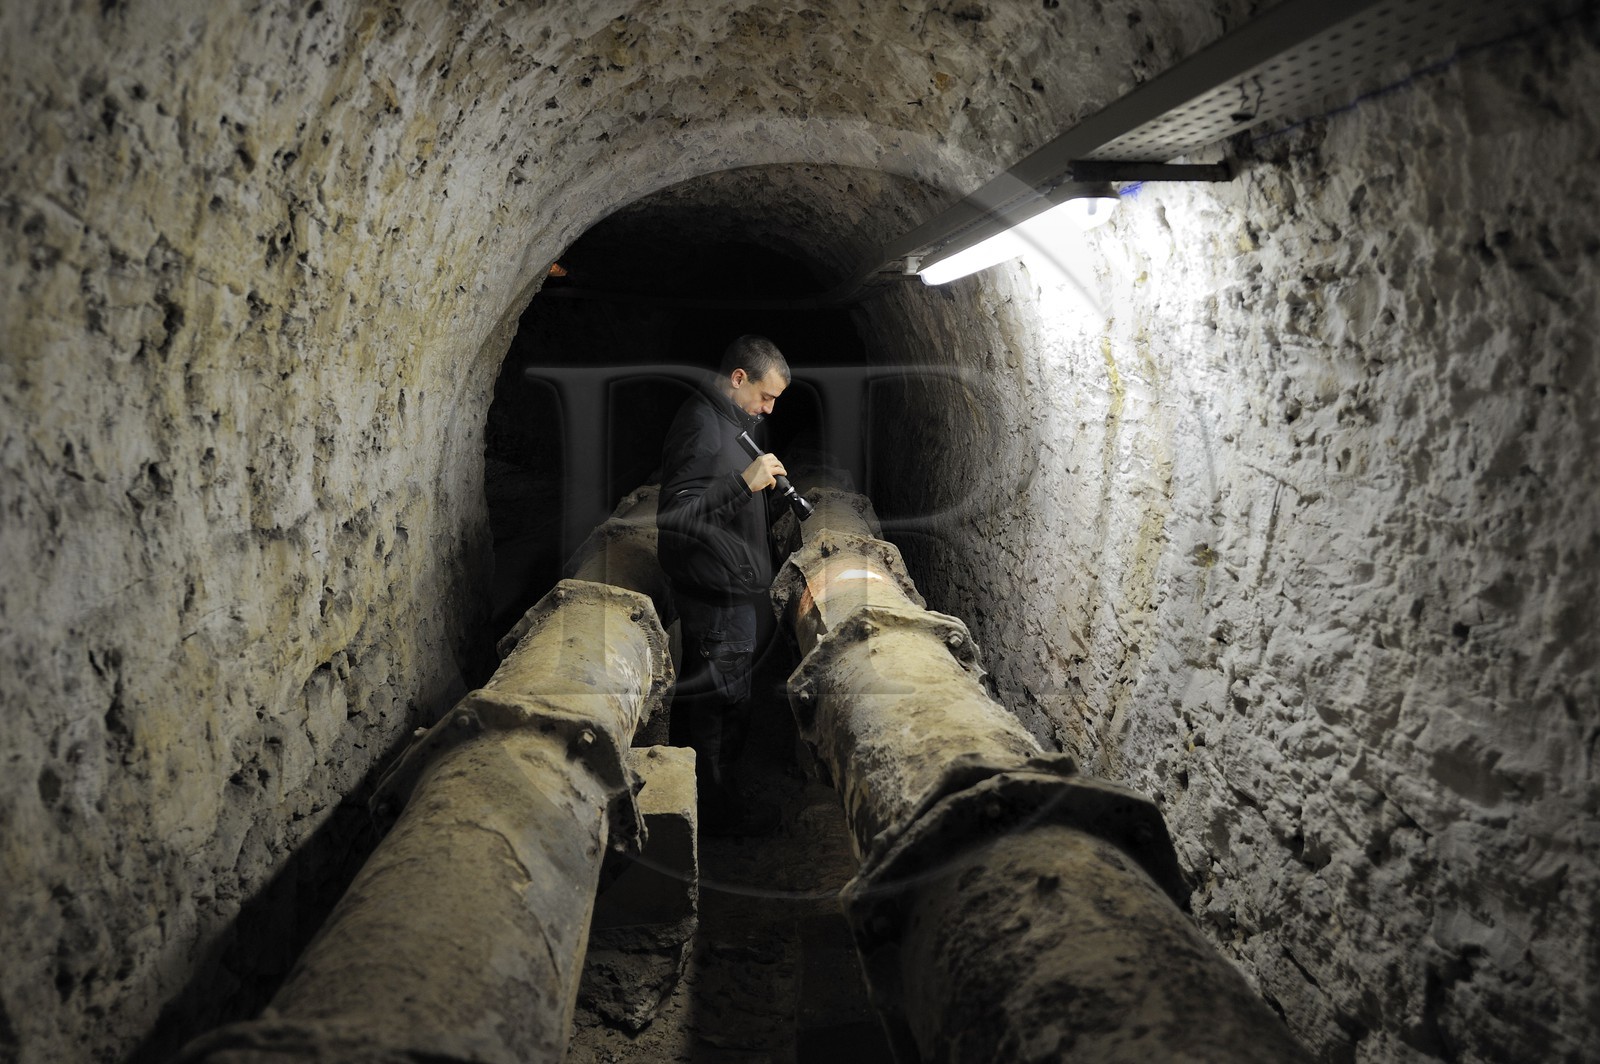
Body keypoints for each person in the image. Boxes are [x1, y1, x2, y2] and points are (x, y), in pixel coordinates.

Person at [656, 335, 793, 836]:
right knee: (720, 710)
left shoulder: (733, 422)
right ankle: (719, 820)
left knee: (719, 701)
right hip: (715, 599)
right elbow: (674, 519)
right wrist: (742, 484)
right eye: (765, 396)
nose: (768, 408)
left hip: (727, 591)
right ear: (740, 378)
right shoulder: (702, 427)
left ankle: (707, 800)